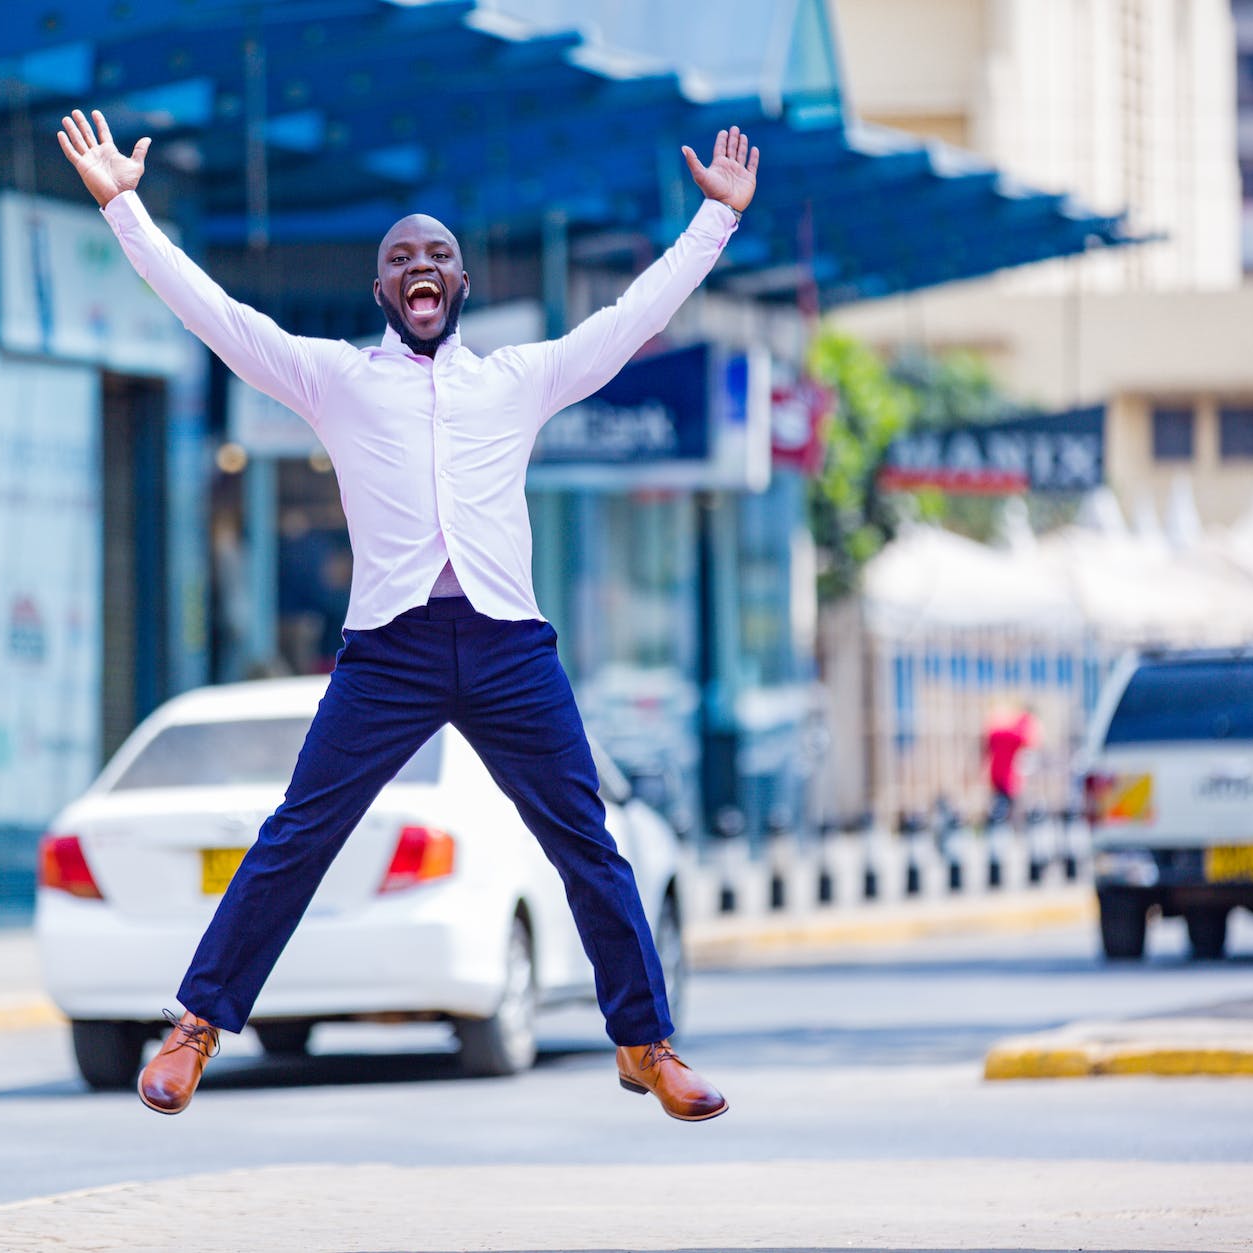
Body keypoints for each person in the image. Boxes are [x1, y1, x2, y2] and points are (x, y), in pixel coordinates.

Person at [58, 108, 758, 1122]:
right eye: (400, 258)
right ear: (381, 289)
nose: (419, 265)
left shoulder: (517, 381)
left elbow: (630, 318)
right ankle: (195, 1027)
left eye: (437, 254)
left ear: (460, 286)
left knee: (587, 840)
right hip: (389, 648)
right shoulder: (333, 378)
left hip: (507, 642)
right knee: (297, 833)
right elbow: (211, 312)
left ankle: (645, 1043)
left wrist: (714, 223)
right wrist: (125, 208)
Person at [983, 703, 1041, 829]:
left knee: (1000, 809)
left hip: (999, 775)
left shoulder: (999, 734)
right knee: (1009, 810)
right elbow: (1027, 740)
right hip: (1007, 778)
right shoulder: (1015, 736)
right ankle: (1009, 832)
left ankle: (1002, 830)